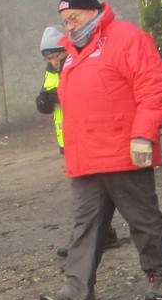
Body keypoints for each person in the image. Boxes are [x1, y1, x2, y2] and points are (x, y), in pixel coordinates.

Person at [39, 0, 162, 300]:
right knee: (84, 225)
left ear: (94, 10)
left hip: (124, 151)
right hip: (85, 157)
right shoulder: (71, 53)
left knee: (142, 218)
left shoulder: (128, 38)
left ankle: (158, 273)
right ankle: (77, 290)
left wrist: (143, 135)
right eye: (65, 21)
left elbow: (154, 88)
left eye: (74, 18)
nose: (69, 26)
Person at [35, 27, 122, 258]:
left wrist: (60, 95)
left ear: (65, 50)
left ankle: (88, 238)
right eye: (48, 58)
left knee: (92, 192)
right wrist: (43, 102)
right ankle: (103, 234)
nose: (53, 62)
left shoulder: (79, 63)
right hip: (69, 139)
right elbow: (46, 101)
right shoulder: (51, 71)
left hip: (88, 136)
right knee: (91, 191)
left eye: (55, 56)